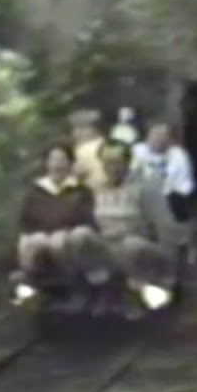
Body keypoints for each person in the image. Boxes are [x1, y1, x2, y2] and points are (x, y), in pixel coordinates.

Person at [82, 140, 183, 311]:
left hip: (140, 247)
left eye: (117, 162)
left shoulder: (145, 186)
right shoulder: (94, 187)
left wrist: (170, 262)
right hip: (107, 246)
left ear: (127, 163)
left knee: (131, 246)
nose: (112, 167)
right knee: (82, 237)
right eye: (107, 162)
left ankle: (137, 292)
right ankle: (96, 293)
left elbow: (164, 225)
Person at [14, 144, 98, 281]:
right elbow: (26, 222)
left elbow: (87, 220)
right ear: (46, 164)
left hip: (71, 237)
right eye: (53, 160)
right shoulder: (35, 192)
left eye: (62, 160)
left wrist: (64, 232)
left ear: (70, 163)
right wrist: (38, 235)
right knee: (29, 244)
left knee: (59, 242)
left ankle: (73, 280)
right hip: (41, 236)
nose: (58, 165)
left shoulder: (81, 191)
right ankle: (31, 280)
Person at [131, 122, 196, 235]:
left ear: (169, 139)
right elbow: (131, 174)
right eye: (155, 135)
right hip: (143, 194)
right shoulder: (137, 150)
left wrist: (173, 193)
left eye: (163, 136)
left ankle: (182, 242)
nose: (159, 139)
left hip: (170, 195)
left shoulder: (178, 154)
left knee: (177, 203)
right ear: (148, 136)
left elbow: (184, 181)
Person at [70, 109, 109, 191]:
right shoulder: (108, 144)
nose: (74, 133)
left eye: (76, 129)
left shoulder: (83, 150)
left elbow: (79, 173)